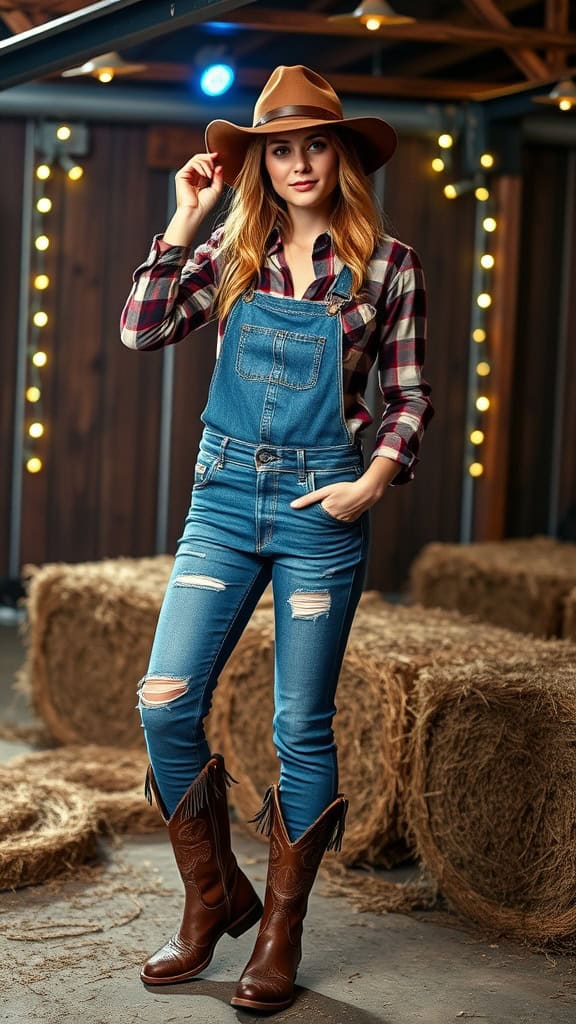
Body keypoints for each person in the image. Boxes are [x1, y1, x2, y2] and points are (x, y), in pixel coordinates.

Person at [120, 64, 434, 1013]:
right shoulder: (233, 248)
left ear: (341, 153)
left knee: (299, 727)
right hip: (222, 500)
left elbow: (410, 400)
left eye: (315, 144)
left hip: (317, 514)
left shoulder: (390, 264)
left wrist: (368, 486)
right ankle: (213, 899)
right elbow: (141, 329)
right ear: (259, 161)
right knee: (166, 703)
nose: (298, 162)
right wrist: (182, 220)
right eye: (279, 148)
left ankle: (283, 931)